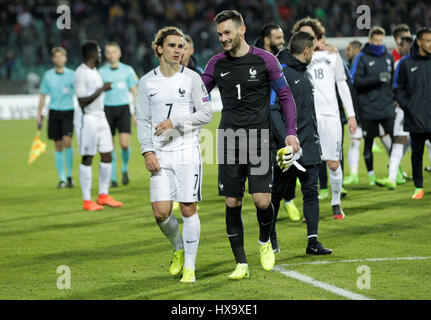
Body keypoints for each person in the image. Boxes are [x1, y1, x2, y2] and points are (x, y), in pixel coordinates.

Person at [202, 10, 299, 279]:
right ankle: (241, 263)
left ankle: (264, 241)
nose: (223, 38)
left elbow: (285, 96)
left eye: (227, 33)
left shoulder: (265, 60)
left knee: (261, 200)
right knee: (232, 201)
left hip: (259, 138)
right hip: (229, 139)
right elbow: (198, 94)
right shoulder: (215, 64)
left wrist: (291, 133)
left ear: (242, 30)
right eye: (220, 34)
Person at [136, 27, 212, 283]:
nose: (178, 50)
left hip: (187, 152)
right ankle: (179, 247)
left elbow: (205, 114)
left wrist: (175, 122)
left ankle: (189, 267)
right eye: (172, 46)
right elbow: (142, 119)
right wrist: (147, 151)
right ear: (159, 49)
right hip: (160, 154)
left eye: (181, 46)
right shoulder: (147, 81)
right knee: (160, 213)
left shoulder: (192, 78)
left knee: (189, 208)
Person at [271, 31, 332, 254]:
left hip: (309, 144)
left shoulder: (305, 75)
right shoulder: (281, 74)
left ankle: (313, 242)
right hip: (286, 148)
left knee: (310, 192)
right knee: (276, 193)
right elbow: (273, 110)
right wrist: (285, 140)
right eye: (313, 50)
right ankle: (270, 236)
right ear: (307, 50)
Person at [293, 18, 357, 218]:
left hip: (330, 116)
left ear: (318, 36)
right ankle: (309, 207)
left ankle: (336, 202)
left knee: (333, 163)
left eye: (309, 36)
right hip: (306, 118)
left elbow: (342, 84)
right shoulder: (295, 60)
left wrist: (351, 114)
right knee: (306, 165)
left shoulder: (332, 55)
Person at [257, 23, 300, 222]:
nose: (283, 42)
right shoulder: (255, 58)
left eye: (283, 37)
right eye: (278, 38)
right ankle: (270, 211)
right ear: (267, 40)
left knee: (289, 160)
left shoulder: (284, 58)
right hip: (261, 120)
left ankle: (289, 199)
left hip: (280, 115)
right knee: (272, 166)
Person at [74, 40, 123, 211]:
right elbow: (81, 101)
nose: (101, 56)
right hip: (87, 119)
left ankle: (103, 195)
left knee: (107, 154)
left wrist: (102, 90)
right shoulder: (81, 73)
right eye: (99, 53)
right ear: (93, 55)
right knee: (88, 157)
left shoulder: (94, 71)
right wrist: (102, 89)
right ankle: (87, 200)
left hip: (100, 116)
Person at [351, 26, 395, 186]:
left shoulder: (389, 57)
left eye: (380, 40)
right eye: (375, 40)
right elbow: (356, 81)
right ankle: (371, 177)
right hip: (368, 108)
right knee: (368, 141)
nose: (378, 43)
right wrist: (377, 79)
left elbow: (393, 82)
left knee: (396, 140)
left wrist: (393, 97)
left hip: (387, 107)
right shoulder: (361, 58)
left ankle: (394, 173)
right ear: (370, 41)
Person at [394, 27, 431, 199]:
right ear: (419, 42)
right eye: (428, 41)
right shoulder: (406, 63)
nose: (430, 44)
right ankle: (418, 187)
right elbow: (397, 88)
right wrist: (409, 106)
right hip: (416, 117)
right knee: (417, 154)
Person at [99, 42, 138, 187]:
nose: (111, 55)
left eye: (114, 52)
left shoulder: (127, 70)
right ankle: (113, 177)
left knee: (125, 144)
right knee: (109, 145)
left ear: (119, 53)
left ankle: (124, 169)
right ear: (106, 55)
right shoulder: (101, 72)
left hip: (123, 109)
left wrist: (135, 113)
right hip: (107, 110)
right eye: (108, 52)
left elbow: (135, 92)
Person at [376, 35, 414, 190]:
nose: (402, 49)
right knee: (399, 140)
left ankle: (394, 172)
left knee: (417, 141)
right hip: (404, 109)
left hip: (420, 109)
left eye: (404, 46)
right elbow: (394, 86)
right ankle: (392, 177)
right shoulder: (399, 63)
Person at [37, 47, 75, 188]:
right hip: (54, 112)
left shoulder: (72, 75)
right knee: (58, 145)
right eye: (56, 56)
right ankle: (62, 178)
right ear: (53, 59)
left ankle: (70, 175)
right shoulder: (48, 76)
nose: (59, 59)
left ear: (65, 58)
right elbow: (42, 95)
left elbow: (81, 93)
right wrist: (39, 113)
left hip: (69, 111)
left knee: (67, 142)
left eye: (61, 56)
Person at [343, 40, 363, 185]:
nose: (346, 52)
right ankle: (354, 174)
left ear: (356, 50)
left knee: (390, 139)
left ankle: (397, 170)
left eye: (349, 49)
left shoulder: (358, 64)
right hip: (359, 110)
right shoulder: (351, 65)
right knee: (355, 142)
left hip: (366, 110)